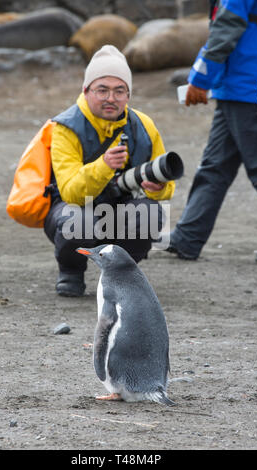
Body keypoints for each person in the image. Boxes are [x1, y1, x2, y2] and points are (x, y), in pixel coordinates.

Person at [44, 45, 175, 296]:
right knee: (79, 220)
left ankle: (122, 275)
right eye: (102, 90)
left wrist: (158, 188)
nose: (111, 98)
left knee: (150, 212)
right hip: (73, 210)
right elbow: (70, 192)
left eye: (119, 91)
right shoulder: (65, 127)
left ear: (128, 94)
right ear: (86, 90)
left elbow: (165, 182)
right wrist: (103, 166)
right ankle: (71, 271)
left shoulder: (143, 125)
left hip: (121, 207)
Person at [166, 0, 257, 261]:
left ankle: (188, 237)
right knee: (215, 166)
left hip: (248, 87)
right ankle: (187, 238)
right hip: (241, 87)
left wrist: (200, 79)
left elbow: (227, 25)